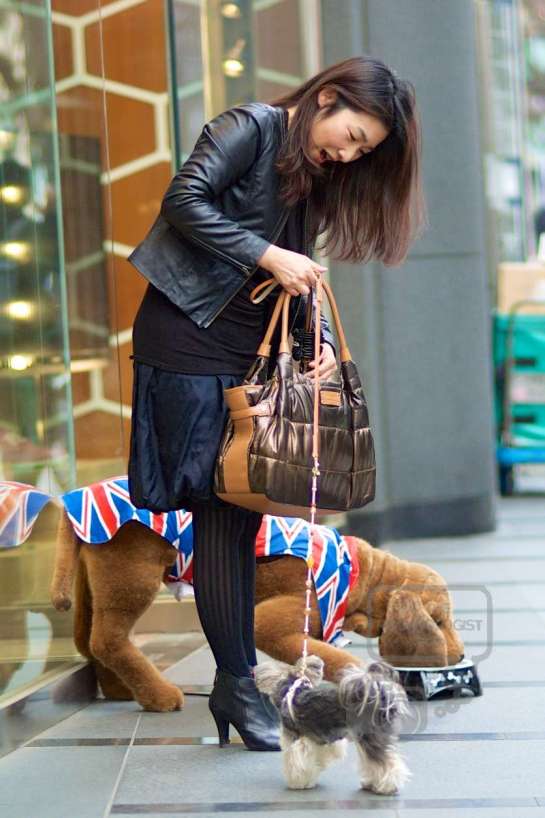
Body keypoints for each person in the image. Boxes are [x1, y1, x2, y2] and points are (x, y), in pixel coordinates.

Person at [126, 55, 426, 751]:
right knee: (216, 504)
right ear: (326, 98)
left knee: (239, 507)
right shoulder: (252, 126)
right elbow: (184, 200)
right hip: (185, 333)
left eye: (363, 150)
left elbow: (298, 267)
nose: (348, 153)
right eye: (351, 134)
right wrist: (264, 253)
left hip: (247, 351)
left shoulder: (311, 174)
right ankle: (235, 682)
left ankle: (235, 688)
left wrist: (314, 337)